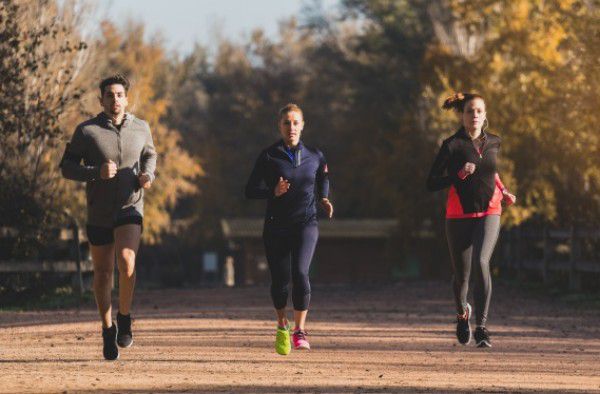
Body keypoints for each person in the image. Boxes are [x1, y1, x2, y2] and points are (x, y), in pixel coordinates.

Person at [60, 74, 157, 360]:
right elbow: (66, 167)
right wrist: (94, 172)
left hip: (130, 205)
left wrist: (147, 175)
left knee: (127, 261)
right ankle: (107, 328)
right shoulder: (87, 131)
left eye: (119, 95)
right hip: (99, 210)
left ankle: (124, 317)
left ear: (126, 98)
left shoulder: (141, 127)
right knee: (103, 273)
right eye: (109, 95)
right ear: (100, 99)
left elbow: (151, 155)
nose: (115, 100)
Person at [426, 92, 516, 348]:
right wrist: (458, 175)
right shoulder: (451, 145)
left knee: (481, 262)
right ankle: (461, 314)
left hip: (490, 211)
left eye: (478, 111)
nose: (474, 115)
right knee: (462, 276)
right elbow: (431, 183)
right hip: (458, 215)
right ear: (462, 116)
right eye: (469, 111)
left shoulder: (495, 142)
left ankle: (482, 328)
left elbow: (492, 172)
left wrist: (504, 190)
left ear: (485, 115)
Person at [245, 103, 333, 355]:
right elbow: (249, 190)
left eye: (296, 122)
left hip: (306, 223)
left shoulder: (316, 155)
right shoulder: (269, 156)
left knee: (301, 273)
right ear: (280, 126)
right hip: (276, 225)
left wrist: (324, 198)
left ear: (303, 125)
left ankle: (300, 330)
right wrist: (272, 192)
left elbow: (323, 178)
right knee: (281, 282)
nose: (291, 127)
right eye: (286, 123)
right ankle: (282, 324)